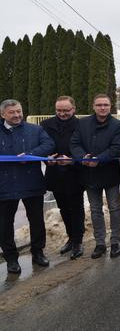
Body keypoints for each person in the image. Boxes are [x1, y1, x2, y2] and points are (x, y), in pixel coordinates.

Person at [0, 99, 54, 274]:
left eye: (19, 111)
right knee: (4, 224)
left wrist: (30, 155)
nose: (17, 115)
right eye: (12, 112)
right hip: (5, 185)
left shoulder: (35, 129)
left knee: (37, 220)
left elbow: (49, 145)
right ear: (3, 114)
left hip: (31, 183)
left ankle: (38, 252)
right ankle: (11, 258)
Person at [70, 94, 120, 259]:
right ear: (93, 106)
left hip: (109, 173)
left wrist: (99, 160)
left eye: (106, 105)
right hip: (89, 174)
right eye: (99, 105)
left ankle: (115, 242)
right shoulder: (83, 123)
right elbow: (74, 143)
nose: (103, 108)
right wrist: (83, 157)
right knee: (95, 210)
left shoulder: (118, 125)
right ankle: (100, 243)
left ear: (110, 106)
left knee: (115, 208)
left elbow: (117, 147)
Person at [41, 96, 85, 259]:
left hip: (75, 173)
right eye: (59, 110)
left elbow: (84, 146)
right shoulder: (46, 124)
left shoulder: (81, 125)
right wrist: (47, 158)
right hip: (55, 174)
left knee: (76, 209)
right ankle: (71, 238)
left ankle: (78, 242)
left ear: (73, 109)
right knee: (64, 209)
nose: (62, 113)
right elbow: (43, 144)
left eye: (66, 110)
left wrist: (73, 160)